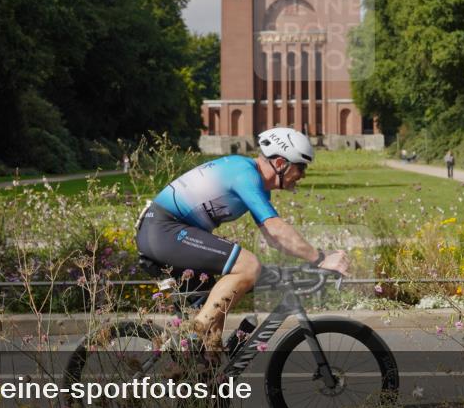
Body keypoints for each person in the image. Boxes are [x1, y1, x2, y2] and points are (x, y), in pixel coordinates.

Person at [135, 127, 350, 351]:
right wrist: (320, 258)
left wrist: (307, 259)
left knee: (213, 339)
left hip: (163, 232)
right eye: (301, 166)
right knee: (248, 266)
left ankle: (199, 375)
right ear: (279, 163)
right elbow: (275, 229)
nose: (303, 174)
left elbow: (273, 237)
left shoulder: (253, 181)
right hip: (164, 230)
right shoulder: (245, 173)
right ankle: (190, 336)